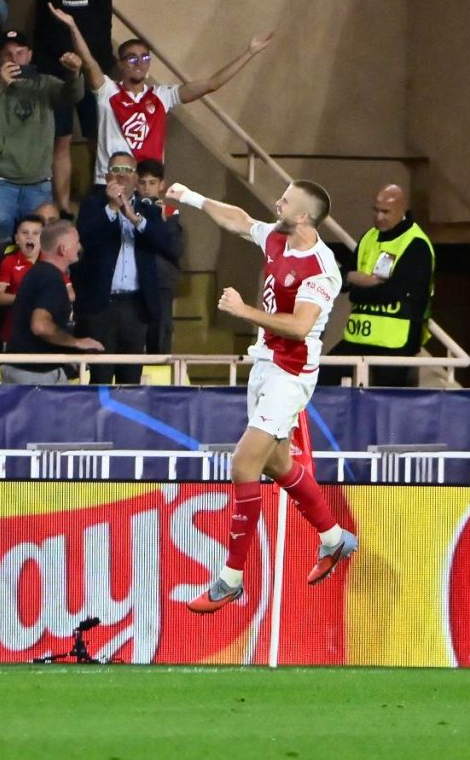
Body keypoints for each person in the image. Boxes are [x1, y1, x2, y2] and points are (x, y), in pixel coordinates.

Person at [164, 179, 357, 614]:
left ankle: (230, 579)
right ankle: (333, 538)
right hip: (266, 363)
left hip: (291, 373)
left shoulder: (321, 269)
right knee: (277, 463)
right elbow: (241, 221)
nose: (277, 203)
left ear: (303, 216)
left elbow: (300, 325)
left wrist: (243, 311)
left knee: (244, 463)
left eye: (285, 201)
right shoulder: (277, 234)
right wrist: (191, 196)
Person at [48, 2, 273, 187]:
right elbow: (88, 61)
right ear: (121, 64)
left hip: (147, 186)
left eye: (145, 58)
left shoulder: (162, 95)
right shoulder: (107, 90)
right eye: (132, 58)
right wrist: (73, 27)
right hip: (110, 185)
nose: (140, 63)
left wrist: (250, 52)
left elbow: (212, 84)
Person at [0, 29, 84, 242]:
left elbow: (72, 95)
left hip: (38, 183)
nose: (14, 59)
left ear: (29, 55)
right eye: (7, 54)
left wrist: (74, 73)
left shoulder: (46, 83)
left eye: (20, 52)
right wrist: (0, 84)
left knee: (39, 245)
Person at [74, 151, 176, 384]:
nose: (121, 175)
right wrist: (111, 208)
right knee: (100, 376)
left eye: (127, 170)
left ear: (135, 177)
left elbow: (167, 247)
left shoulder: (149, 210)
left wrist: (135, 219)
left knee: (130, 378)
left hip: (136, 305)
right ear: (107, 176)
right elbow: (84, 240)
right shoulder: (93, 205)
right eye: (116, 170)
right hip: (101, 305)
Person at [319, 184, 434, 387]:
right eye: (376, 210)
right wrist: (355, 278)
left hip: (395, 343)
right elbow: (341, 278)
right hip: (358, 338)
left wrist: (357, 293)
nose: (379, 217)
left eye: (386, 211)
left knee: (387, 403)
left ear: (402, 211)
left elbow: (396, 292)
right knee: (321, 380)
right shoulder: (369, 237)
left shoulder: (416, 244)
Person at [34, 0, 114, 218]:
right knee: (62, 138)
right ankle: (64, 206)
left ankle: (100, 195)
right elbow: (41, 28)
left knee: (98, 138)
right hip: (57, 72)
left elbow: (104, 25)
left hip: (92, 71)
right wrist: (46, 67)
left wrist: (101, 69)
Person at [2, 220, 102, 384]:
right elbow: (40, 326)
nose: (79, 247)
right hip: (35, 376)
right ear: (63, 249)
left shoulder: (40, 273)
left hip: (30, 370)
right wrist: (76, 343)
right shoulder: (51, 278)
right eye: (76, 242)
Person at [136, 158, 182, 354]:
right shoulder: (130, 210)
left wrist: (162, 224)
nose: (147, 188)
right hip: (136, 280)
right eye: (142, 182)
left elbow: (175, 250)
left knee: (160, 330)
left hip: (160, 280)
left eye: (152, 183)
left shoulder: (171, 213)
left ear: (161, 185)